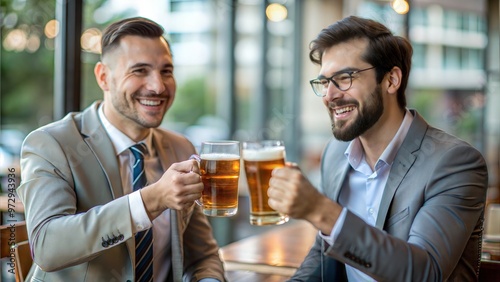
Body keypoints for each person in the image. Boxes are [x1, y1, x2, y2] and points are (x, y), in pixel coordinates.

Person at [268, 15, 488, 281]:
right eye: (325, 82)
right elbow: (324, 252)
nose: (329, 95)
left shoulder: (454, 162)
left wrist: (320, 211)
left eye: (345, 77)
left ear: (392, 80)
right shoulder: (335, 155)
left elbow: (425, 272)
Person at [17, 17, 226, 282]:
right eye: (139, 70)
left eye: (166, 71)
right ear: (104, 77)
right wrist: (151, 200)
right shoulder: (50, 144)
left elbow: (202, 255)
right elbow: (47, 247)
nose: (158, 86)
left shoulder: (180, 147)